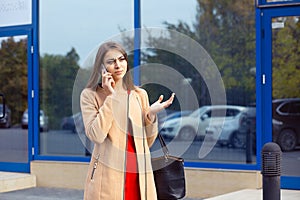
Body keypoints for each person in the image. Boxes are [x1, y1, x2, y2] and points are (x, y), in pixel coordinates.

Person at [80, 41, 175, 200]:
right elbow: (96, 135)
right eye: (111, 61)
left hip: (139, 176)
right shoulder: (90, 95)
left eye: (121, 59)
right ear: (101, 68)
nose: (118, 65)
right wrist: (111, 97)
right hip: (109, 177)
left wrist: (150, 115)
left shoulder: (139, 94)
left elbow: (148, 142)